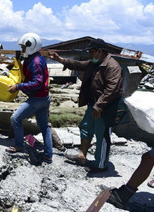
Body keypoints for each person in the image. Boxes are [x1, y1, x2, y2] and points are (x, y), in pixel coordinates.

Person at [49, 38, 123, 173]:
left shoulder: (112, 67)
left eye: (91, 52)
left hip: (105, 108)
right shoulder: (95, 62)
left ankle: (101, 165)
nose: (90, 55)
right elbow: (77, 64)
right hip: (93, 104)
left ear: (99, 51)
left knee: (102, 135)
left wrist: (99, 106)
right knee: (86, 129)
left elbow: (112, 89)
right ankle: (81, 156)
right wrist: (60, 59)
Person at [7, 33, 53, 163]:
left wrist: (18, 86)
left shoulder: (35, 62)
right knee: (44, 126)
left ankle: (19, 145)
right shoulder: (35, 59)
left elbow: (37, 82)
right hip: (44, 97)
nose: (22, 49)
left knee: (15, 118)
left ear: (30, 46)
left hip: (37, 99)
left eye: (23, 47)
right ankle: (48, 154)